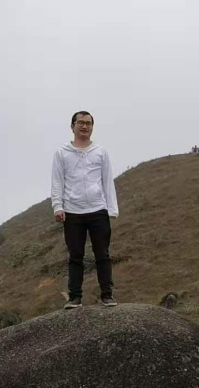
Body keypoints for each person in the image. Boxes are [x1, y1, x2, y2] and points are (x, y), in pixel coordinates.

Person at [51, 110, 119, 309]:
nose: (84, 126)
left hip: (98, 210)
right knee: (75, 255)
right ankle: (75, 297)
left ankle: (107, 295)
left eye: (88, 123)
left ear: (92, 127)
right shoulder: (62, 153)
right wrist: (58, 206)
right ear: (72, 126)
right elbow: (57, 182)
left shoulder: (100, 152)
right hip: (72, 211)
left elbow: (107, 181)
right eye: (80, 122)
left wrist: (111, 209)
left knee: (102, 254)